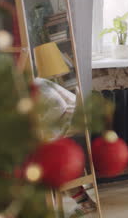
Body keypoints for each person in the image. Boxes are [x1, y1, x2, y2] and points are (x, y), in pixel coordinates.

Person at [34, 78, 97, 217]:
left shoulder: (35, 86)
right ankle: (84, 201)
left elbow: (58, 107)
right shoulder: (37, 83)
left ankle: (84, 202)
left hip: (72, 128)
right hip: (72, 125)